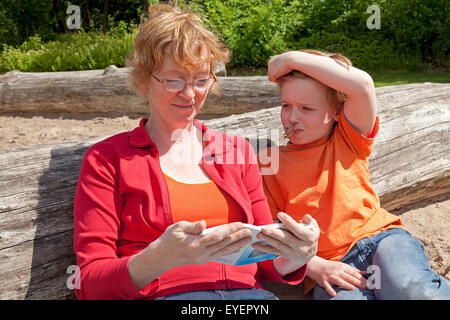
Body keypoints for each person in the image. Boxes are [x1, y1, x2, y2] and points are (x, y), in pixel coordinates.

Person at [73, 4, 319, 300]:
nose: (190, 94)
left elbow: (264, 263)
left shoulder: (236, 152)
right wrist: (159, 257)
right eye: (174, 80)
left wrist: (297, 254)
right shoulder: (107, 160)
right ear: (143, 79)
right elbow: (89, 284)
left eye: (201, 80)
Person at [259, 49, 450, 300]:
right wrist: (315, 266)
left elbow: (362, 86)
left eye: (306, 108)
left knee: (413, 290)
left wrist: (290, 60)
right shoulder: (270, 163)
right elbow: (270, 234)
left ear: (337, 112)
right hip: (331, 265)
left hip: (382, 241)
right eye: (286, 105)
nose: (292, 117)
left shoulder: (348, 139)